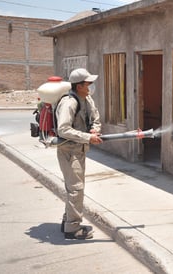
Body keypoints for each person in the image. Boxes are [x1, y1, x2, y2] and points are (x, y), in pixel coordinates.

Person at [56, 68, 103, 240]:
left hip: (80, 150)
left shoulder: (87, 99)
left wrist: (94, 129)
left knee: (75, 188)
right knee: (76, 189)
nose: (90, 85)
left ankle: (68, 221)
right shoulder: (69, 103)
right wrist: (87, 137)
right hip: (69, 151)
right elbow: (63, 129)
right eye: (87, 83)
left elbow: (95, 117)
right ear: (79, 85)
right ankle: (72, 229)